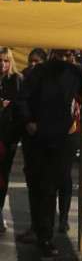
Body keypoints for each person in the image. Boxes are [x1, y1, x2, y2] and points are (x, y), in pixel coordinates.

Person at [13, 49, 82, 257]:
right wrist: (28, 123)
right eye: (59, 56)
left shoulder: (75, 72)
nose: (63, 60)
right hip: (36, 138)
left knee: (51, 188)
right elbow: (21, 99)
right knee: (36, 186)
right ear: (54, 54)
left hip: (60, 139)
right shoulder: (39, 72)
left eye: (66, 56)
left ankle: (45, 236)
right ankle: (40, 230)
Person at [0, 48, 23, 235]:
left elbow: (18, 107)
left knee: (2, 175)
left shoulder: (15, 80)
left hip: (7, 137)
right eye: (0, 60)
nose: (2, 64)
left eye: (6, 61)